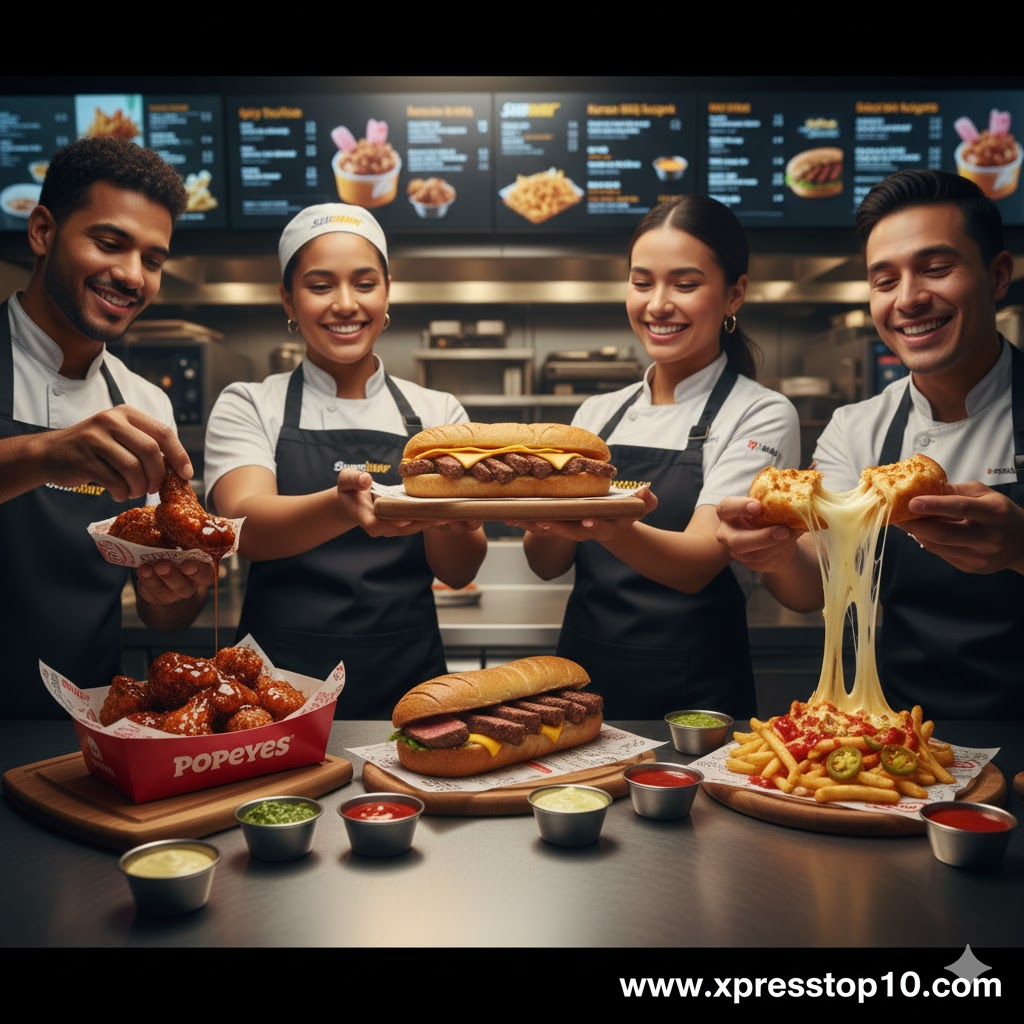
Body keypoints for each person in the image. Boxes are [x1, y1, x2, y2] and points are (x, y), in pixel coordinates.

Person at [716, 168, 1024, 720]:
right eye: (884, 280)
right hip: (907, 735)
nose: (909, 298)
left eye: (936, 268)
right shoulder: (858, 427)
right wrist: (772, 552)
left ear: (998, 275)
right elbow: (810, 587)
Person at [511, 195, 801, 719]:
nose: (658, 304)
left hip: (696, 696)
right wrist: (543, 517)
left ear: (734, 294)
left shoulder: (760, 412)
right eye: (642, 282)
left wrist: (601, 523)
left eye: (685, 284)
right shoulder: (598, 413)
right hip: (582, 685)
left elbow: (697, 565)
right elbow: (546, 565)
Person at [204, 203, 486, 718]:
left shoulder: (438, 413)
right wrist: (341, 507)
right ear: (287, 298)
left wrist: (456, 520)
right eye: (320, 285)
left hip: (409, 678)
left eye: (364, 283)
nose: (345, 304)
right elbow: (244, 529)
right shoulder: (250, 402)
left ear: (387, 291)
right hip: (274, 686)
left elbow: (459, 569)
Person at [0, 136, 214, 719]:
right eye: (110, 243)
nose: (132, 275)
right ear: (42, 231)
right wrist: (47, 453)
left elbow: (163, 617)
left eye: (153, 260)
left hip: (87, 724)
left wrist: (177, 589)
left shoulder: (145, 403)